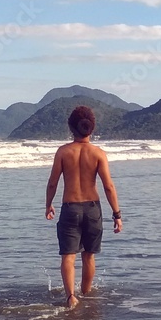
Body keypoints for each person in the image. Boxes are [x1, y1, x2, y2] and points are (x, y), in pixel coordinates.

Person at [45, 105, 123, 308]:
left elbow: (53, 182)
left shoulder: (63, 152)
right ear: (91, 128)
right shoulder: (98, 153)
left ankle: (71, 297)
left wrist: (48, 205)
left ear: (71, 128)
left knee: (68, 256)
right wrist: (117, 214)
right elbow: (108, 186)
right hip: (92, 208)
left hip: (70, 207)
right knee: (88, 256)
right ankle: (86, 295)